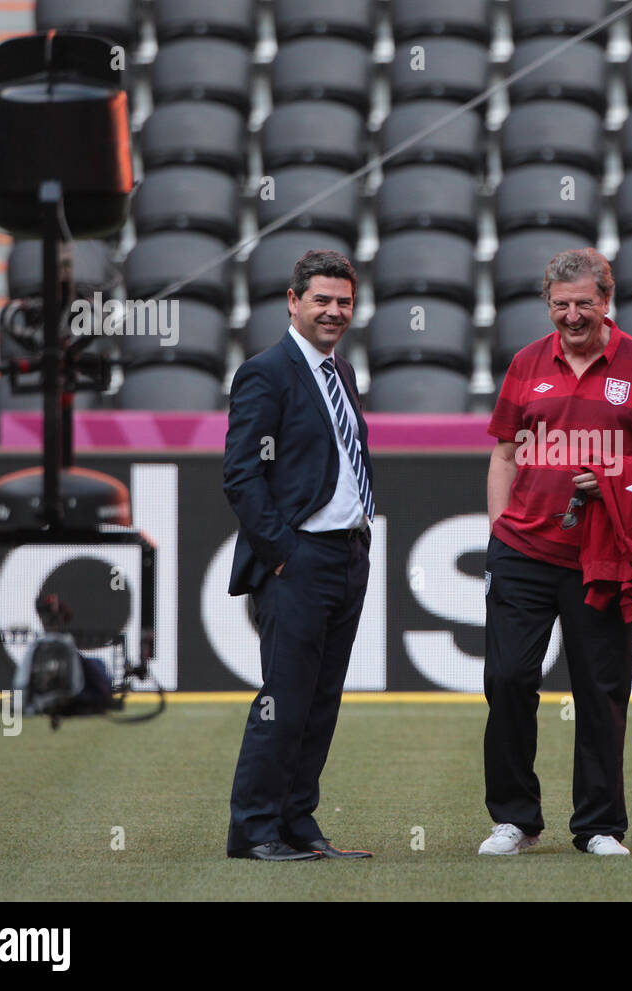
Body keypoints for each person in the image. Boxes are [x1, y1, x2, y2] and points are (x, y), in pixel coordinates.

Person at [481, 247, 632, 856]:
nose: (573, 316)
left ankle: (598, 825)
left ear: (606, 302)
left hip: (603, 554)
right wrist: (499, 529)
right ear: (548, 304)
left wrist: (617, 473)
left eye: (584, 305)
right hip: (521, 551)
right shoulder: (525, 363)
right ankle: (513, 819)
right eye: (561, 305)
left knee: (600, 688)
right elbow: (503, 453)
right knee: (509, 678)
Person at [223, 250, 375, 862]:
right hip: (300, 560)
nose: (334, 311)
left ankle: (297, 821)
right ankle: (255, 829)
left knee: (320, 700)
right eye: (322, 300)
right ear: (293, 301)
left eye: (343, 301)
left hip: (347, 555)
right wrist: (283, 554)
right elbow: (241, 476)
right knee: (283, 698)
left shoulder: (342, 373)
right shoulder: (267, 372)